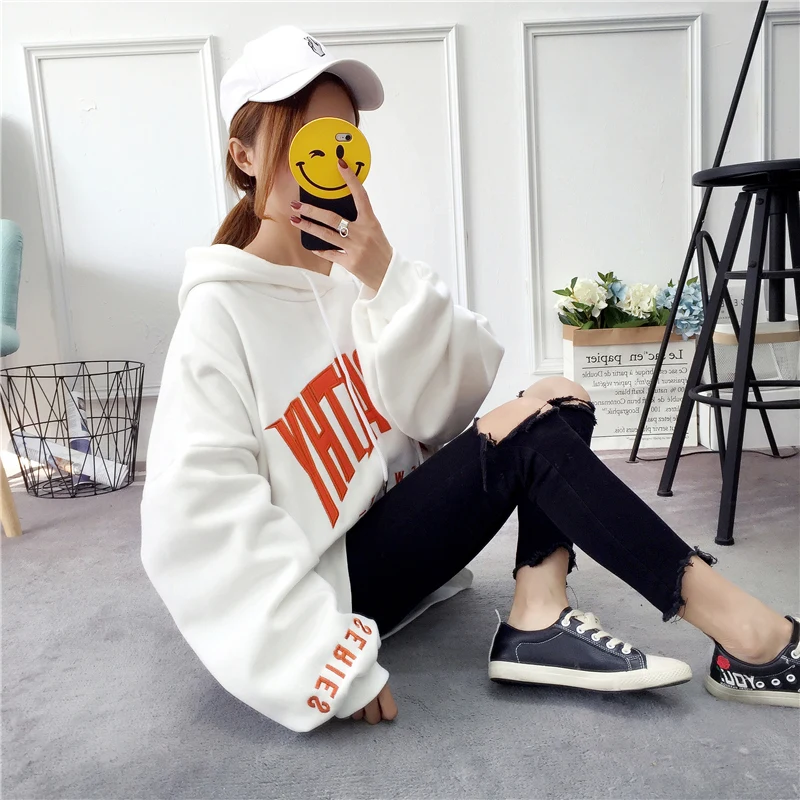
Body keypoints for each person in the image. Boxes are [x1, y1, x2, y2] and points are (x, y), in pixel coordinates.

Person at [140, 25, 799, 732]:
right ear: (244, 155)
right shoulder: (219, 313)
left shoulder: (352, 284)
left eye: (343, 142)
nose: (329, 166)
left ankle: (538, 613)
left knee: (559, 398)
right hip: (329, 590)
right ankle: (752, 638)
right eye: (305, 141)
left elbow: (441, 414)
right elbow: (196, 523)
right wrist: (317, 657)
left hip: (391, 534)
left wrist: (384, 278)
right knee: (531, 438)